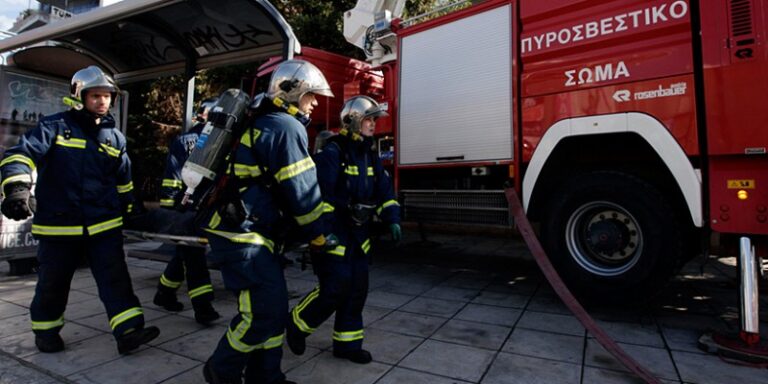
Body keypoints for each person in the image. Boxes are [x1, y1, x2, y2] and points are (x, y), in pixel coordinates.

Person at [0, 65, 159, 354]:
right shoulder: (54, 127)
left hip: (104, 225)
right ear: (79, 95)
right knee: (53, 284)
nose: (102, 101)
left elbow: (124, 180)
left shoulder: (115, 139)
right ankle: (46, 332)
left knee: (116, 281)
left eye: (107, 96)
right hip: (59, 226)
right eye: (96, 95)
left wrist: (133, 208)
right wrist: (16, 188)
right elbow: (20, 154)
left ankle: (129, 331)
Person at [201, 60, 336, 384]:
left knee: (272, 312)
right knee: (262, 313)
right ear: (293, 92)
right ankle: (221, 370)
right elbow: (303, 193)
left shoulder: (267, 121)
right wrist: (319, 235)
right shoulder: (285, 127)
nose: (315, 103)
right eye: (311, 96)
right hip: (244, 236)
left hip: (253, 231)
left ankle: (266, 376)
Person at [286, 95, 401, 364]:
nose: (374, 124)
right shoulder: (332, 154)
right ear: (352, 121)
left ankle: (347, 345)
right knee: (334, 288)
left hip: (360, 237)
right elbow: (319, 198)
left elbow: (385, 192)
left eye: (374, 120)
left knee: (356, 290)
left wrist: (392, 217)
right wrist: (323, 232)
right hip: (334, 234)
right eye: (369, 119)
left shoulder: (370, 156)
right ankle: (297, 324)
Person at [153, 97, 221, 325]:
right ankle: (203, 307)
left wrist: (170, 208)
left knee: (186, 252)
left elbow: (172, 177)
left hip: (185, 207)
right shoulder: (221, 140)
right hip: (201, 208)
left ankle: (165, 292)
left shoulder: (184, 139)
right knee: (194, 256)